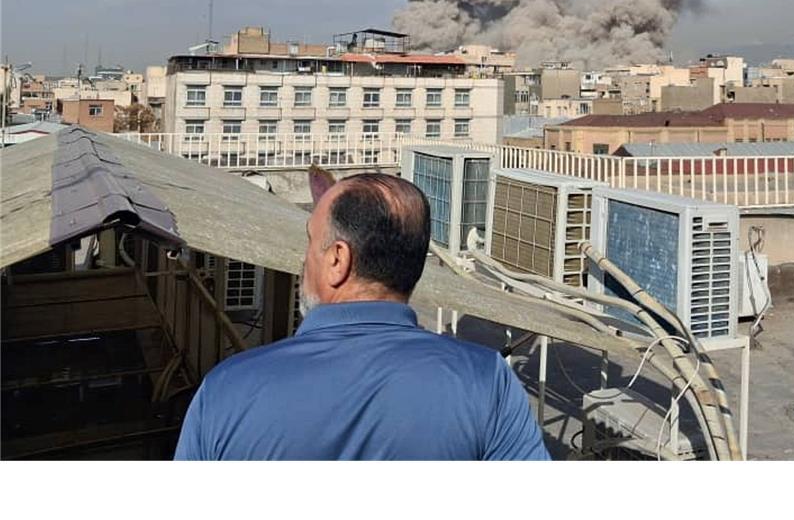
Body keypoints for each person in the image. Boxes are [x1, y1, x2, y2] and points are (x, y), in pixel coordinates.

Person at [174, 172, 550, 460]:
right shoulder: (486, 383)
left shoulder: (228, 391)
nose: (304, 258)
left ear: (338, 260)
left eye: (310, 240)